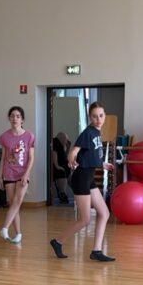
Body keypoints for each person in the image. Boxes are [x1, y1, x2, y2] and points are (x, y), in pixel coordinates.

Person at [49, 102, 116, 262]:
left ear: (104, 115)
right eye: (94, 116)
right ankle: (57, 241)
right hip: (80, 179)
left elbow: (91, 156)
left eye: (101, 115)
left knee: (104, 213)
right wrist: (71, 160)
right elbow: (73, 151)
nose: (98, 119)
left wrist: (102, 164)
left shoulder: (96, 133)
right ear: (90, 117)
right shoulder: (88, 132)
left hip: (88, 178)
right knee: (85, 219)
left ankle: (96, 251)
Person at [0, 106, 35, 244]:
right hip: (8, 173)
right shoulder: (4, 137)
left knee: (18, 201)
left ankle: (5, 228)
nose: (15, 118)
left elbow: (31, 158)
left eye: (18, 116)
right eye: (12, 116)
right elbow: (3, 158)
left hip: (22, 174)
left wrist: (26, 174)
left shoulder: (29, 136)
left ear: (22, 119)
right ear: (9, 118)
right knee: (13, 204)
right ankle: (18, 233)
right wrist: (0, 175)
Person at [51, 132, 72, 204]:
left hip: (64, 166)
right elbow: (54, 153)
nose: (67, 142)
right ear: (62, 138)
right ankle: (62, 193)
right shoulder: (55, 141)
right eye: (66, 140)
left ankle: (77, 194)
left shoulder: (61, 146)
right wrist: (57, 165)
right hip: (56, 167)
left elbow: (64, 157)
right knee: (61, 171)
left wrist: (68, 147)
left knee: (70, 176)